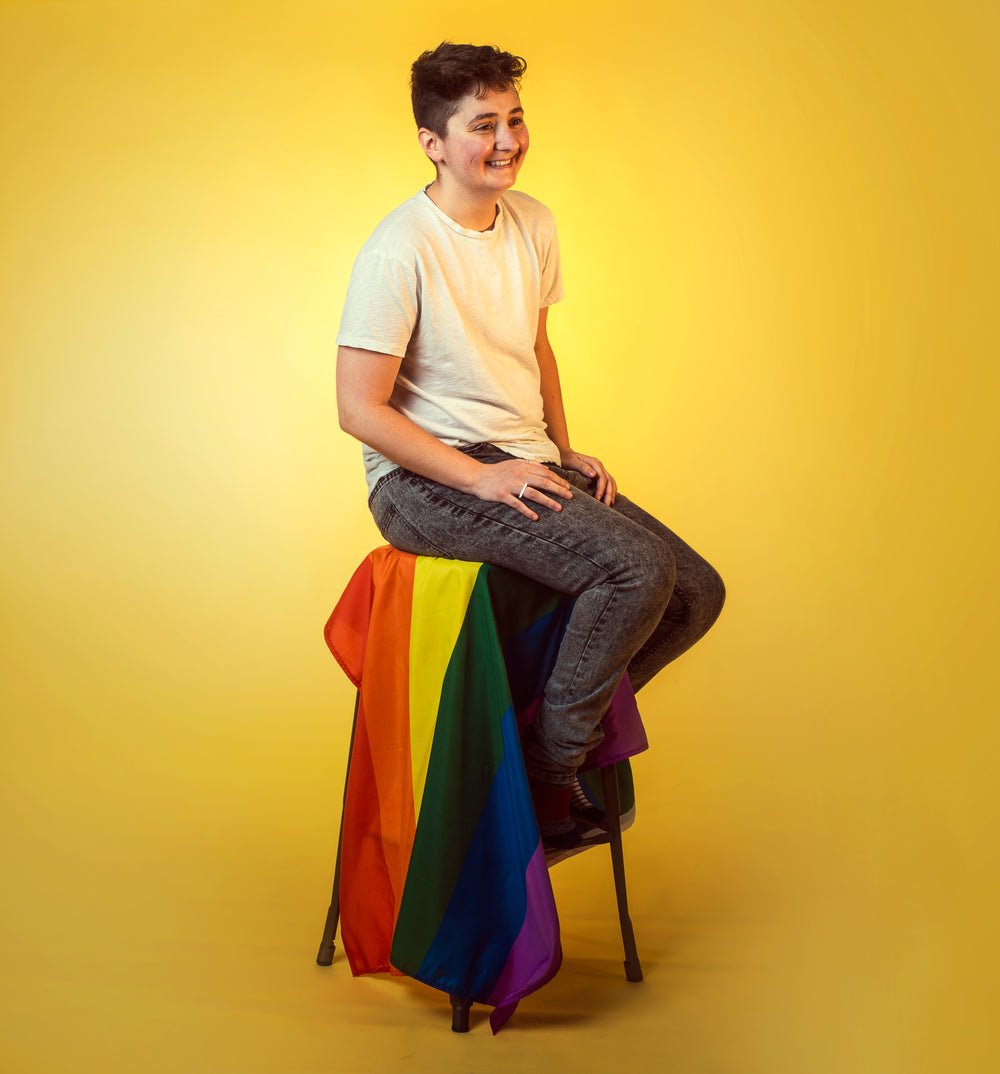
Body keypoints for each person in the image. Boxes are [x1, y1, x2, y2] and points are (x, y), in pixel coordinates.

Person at [336, 42, 724, 850]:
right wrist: (481, 483)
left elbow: (532, 350)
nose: (507, 139)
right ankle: (549, 784)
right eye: (483, 125)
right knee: (636, 570)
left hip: (519, 454)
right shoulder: (398, 249)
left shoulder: (534, 222)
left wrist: (561, 450)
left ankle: (540, 739)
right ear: (432, 142)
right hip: (423, 477)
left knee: (694, 592)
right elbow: (360, 412)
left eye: (515, 120)